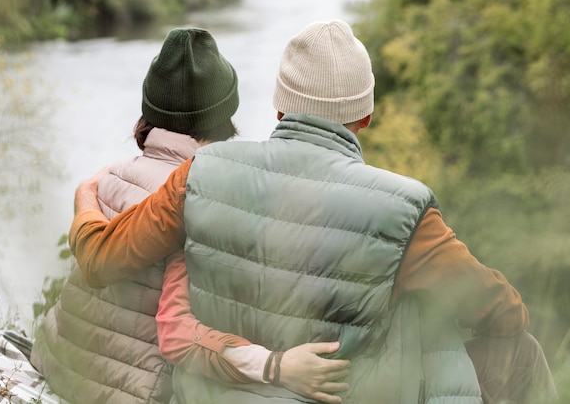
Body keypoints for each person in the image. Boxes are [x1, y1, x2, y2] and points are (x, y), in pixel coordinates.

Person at [68, 20, 558, 403]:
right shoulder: (402, 210)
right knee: (514, 347)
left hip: (214, 393)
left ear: (280, 108)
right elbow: (501, 310)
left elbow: (99, 260)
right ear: (365, 114)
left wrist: (86, 197)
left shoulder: (201, 173)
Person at [31, 27, 350, 404]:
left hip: (57, 362)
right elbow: (181, 332)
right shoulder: (206, 197)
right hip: (135, 393)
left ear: (149, 110)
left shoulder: (108, 176)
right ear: (224, 116)